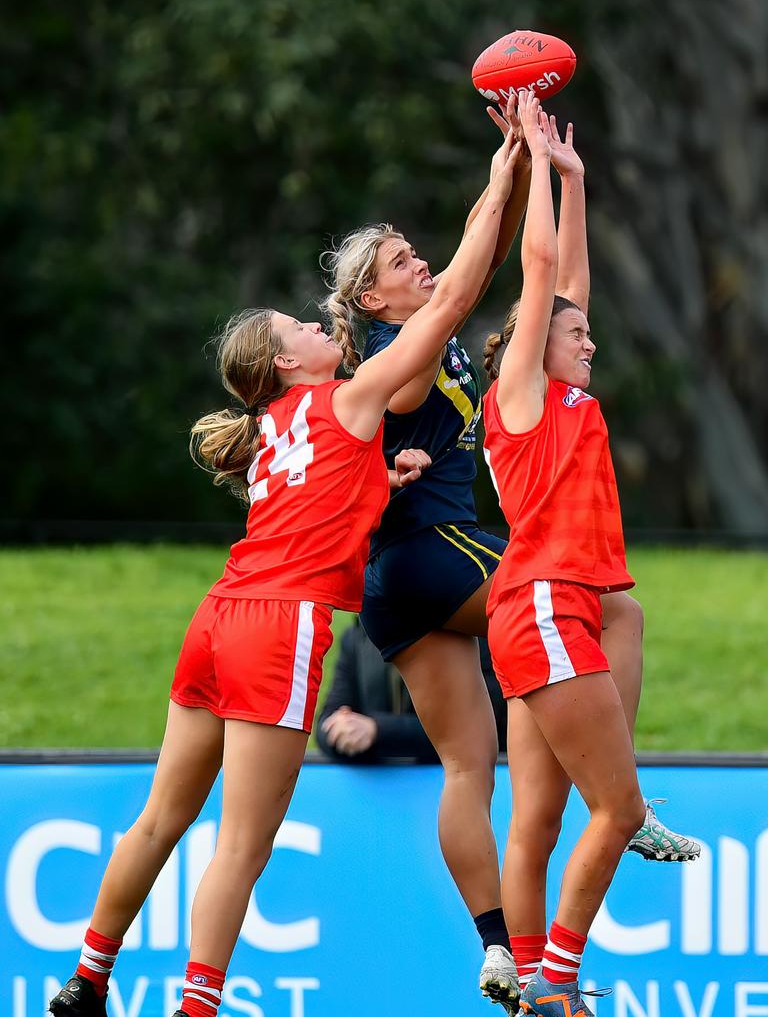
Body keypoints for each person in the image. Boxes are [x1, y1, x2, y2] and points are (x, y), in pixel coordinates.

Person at [47, 129, 522, 1017]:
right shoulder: (348, 395)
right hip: (281, 625)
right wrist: (499, 181)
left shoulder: (271, 432)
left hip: (219, 615)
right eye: (301, 328)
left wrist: (380, 482)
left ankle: (86, 980)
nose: (317, 326)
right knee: (243, 844)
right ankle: (197, 1007)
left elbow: (316, 500)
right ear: (286, 365)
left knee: (160, 821)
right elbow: (454, 299)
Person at [322, 96, 698, 1015]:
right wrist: (515, 162)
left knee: (498, 785)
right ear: (372, 298)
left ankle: (507, 955)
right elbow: (517, 274)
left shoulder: (502, 357)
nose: (424, 266)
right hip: (443, 557)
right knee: (601, 631)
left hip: (409, 583)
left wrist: (561, 178)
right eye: (399, 261)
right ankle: (620, 802)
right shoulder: (442, 359)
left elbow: (552, 283)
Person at [482, 91, 652, 1017]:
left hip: (564, 602)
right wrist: (537, 159)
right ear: (531, 347)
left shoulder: (565, 386)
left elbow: (568, 276)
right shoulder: (525, 395)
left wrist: (576, 182)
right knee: (616, 815)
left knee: (543, 818)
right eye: (573, 331)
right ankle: (556, 988)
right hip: (543, 602)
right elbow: (542, 266)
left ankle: (531, 991)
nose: (589, 336)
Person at [317, 618, 507, 762]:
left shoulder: (471, 632)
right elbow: (325, 722)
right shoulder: (357, 636)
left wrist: (377, 731)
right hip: (381, 790)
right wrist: (341, 731)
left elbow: (476, 727)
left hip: (466, 777)